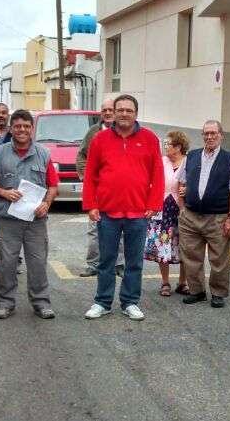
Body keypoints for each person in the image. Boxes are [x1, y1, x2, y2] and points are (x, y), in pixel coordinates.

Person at [82, 94, 164, 321]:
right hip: (107, 212)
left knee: (134, 262)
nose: (124, 114)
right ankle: (102, 302)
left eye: (129, 110)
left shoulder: (149, 139)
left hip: (138, 213)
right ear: (114, 113)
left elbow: (157, 173)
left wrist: (154, 204)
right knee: (106, 261)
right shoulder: (100, 139)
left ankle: (130, 302)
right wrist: (91, 205)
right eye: (120, 110)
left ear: (136, 113)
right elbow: (90, 174)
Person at [0, 109, 60, 319]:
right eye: (17, 126)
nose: (22, 130)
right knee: (6, 263)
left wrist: (46, 203)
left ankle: (41, 303)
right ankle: (5, 303)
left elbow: (53, 185)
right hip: (8, 220)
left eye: (26, 126)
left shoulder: (43, 154)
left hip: (36, 220)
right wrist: (4, 192)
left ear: (32, 129)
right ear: (11, 128)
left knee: (38, 263)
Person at [178, 120, 230, 309]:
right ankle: (196, 291)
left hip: (218, 218)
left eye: (213, 133)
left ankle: (218, 293)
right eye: (206, 133)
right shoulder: (191, 157)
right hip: (190, 216)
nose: (209, 137)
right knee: (191, 256)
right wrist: (182, 209)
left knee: (219, 258)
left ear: (221, 136)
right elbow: (181, 182)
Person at [76, 98, 124, 278]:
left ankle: (119, 264)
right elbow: (81, 155)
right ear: (101, 113)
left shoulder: (125, 132)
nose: (108, 113)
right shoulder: (93, 132)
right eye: (105, 110)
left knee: (121, 229)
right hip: (98, 191)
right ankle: (93, 264)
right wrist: (85, 177)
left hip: (119, 190)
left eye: (111, 109)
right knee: (94, 228)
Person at [145, 131, 190, 296]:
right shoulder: (161, 162)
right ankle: (165, 282)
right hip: (162, 208)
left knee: (185, 244)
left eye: (168, 144)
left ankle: (183, 282)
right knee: (162, 243)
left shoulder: (189, 162)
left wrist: (188, 189)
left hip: (182, 209)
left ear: (178, 147)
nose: (165, 147)